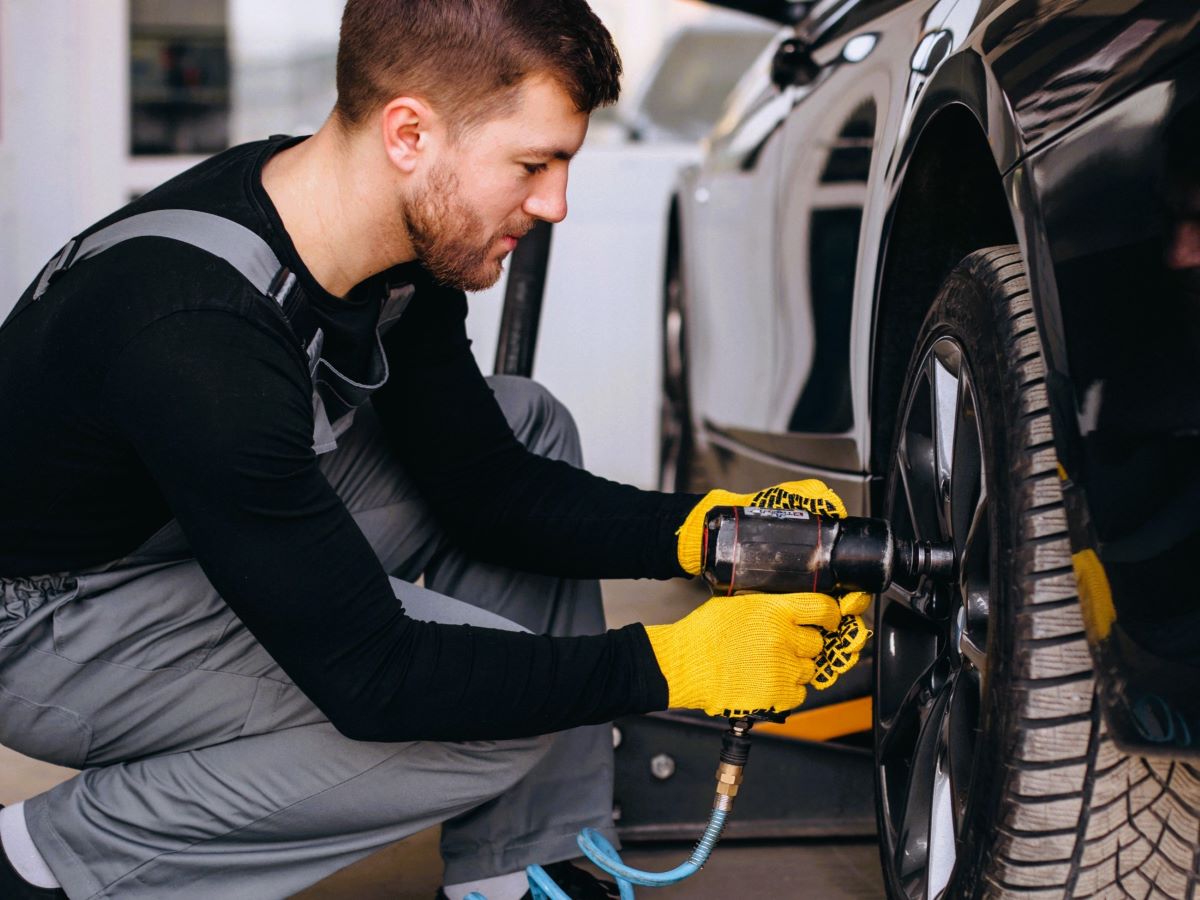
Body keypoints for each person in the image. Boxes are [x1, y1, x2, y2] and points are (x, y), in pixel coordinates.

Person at [0, 2, 868, 898]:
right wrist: (675, 664)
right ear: (409, 133)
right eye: (533, 164)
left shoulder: (378, 236)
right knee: (484, 722)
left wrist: (713, 530)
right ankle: (46, 859)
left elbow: (486, 487)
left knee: (522, 418)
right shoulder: (196, 331)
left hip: (183, 525)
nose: (555, 203)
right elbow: (372, 676)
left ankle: (521, 861)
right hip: (48, 621)